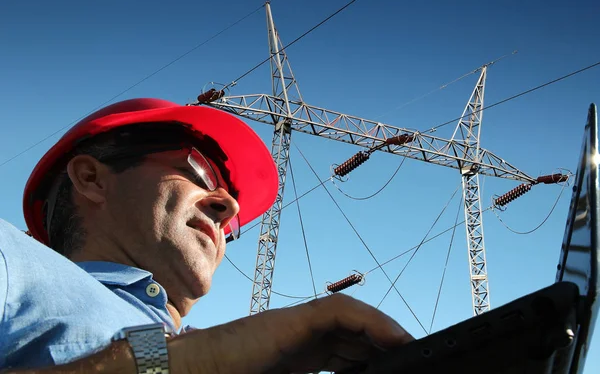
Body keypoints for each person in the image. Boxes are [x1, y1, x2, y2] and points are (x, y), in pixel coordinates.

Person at [0, 98, 413, 373]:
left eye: (231, 224)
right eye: (198, 172)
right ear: (92, 179)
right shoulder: (12, 262)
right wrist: (202, 361)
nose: (228, 208)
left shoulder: (178, 347)